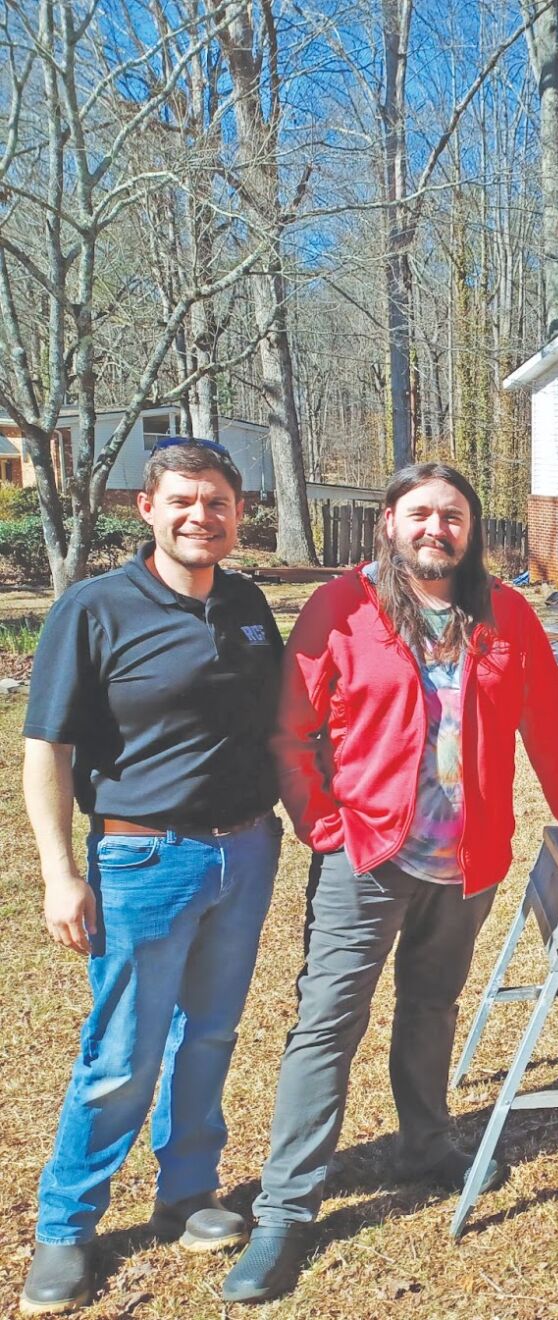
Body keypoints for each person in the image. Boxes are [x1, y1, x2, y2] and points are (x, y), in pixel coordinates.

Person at [222, 462, 558, 1304]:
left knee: (433, 1007)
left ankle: (425, 1145)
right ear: (389, 523)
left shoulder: (509, 617)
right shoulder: (342, 609)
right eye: (420, 513)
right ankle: (286, 1211)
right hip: (368, 857)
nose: (436, 528)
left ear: (471, 530)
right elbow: (292, 732)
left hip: (468, 863)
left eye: (453, 514)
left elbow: (556, 740)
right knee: (327, 1025)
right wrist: (327, 830)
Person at [20, 439, 284, 1316]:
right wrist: (62, 874)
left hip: (245, 852)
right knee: (122, 1053)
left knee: (209, 1035)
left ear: (237, 514)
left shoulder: (248, 605)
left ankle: (187, 1193)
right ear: (147, 506)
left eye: (216, 502)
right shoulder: (94, 610)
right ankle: (66, 1228)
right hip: (141, 859)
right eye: (183, 500)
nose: (199, 516)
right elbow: (45, 752)